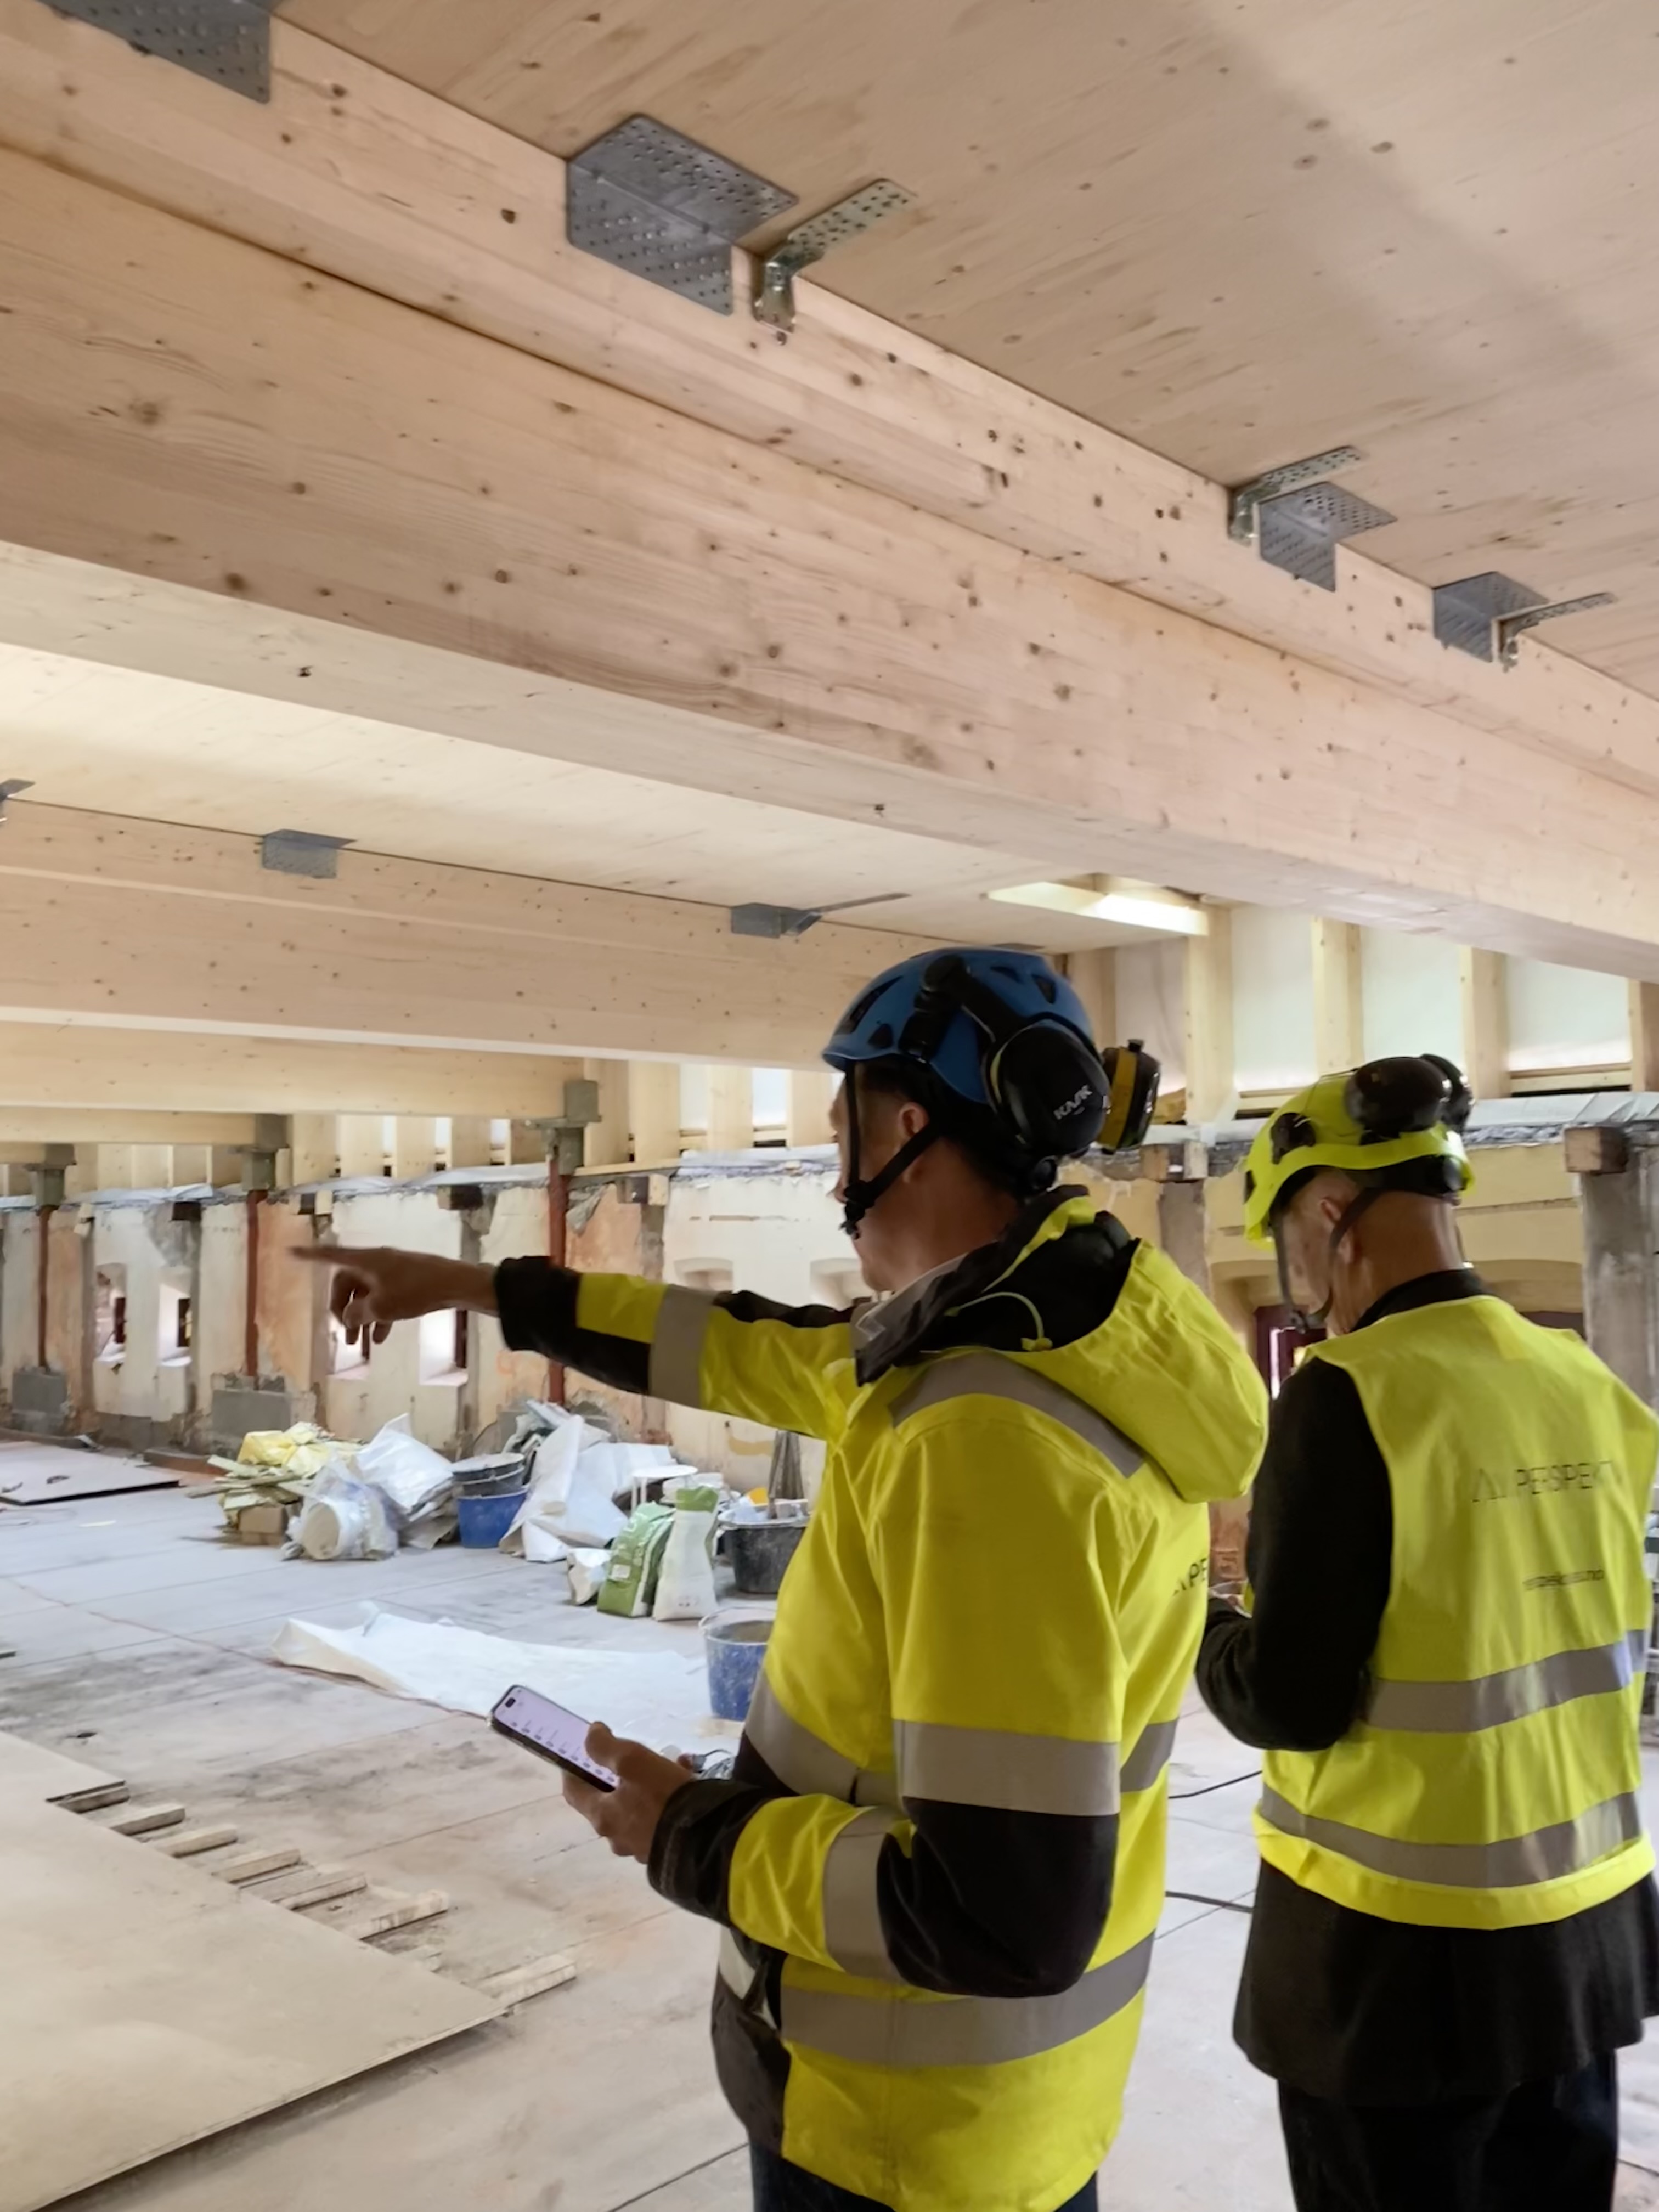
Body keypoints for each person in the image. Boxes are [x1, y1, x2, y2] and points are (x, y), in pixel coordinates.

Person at [302, 947, 1267, 2212]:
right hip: (1001, 2121)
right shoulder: (1060, 1330)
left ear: (905, 1127)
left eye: (839, 1129)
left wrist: (686, 1832)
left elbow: (1001, 1918)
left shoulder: (985, 1439)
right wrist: (478, 1287)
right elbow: (732, 1346)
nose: (830, 1172)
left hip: (902, 2138)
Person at [1198, 1053, 1659, 2212]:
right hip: (1584, 1933)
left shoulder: (1351, 1391)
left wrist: (1197, 1621)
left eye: (1285, 1236)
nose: (1298, 1279)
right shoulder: (1583, 1381)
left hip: (1394, 1964)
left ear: (1329, 1212)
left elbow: (1290, 1699)